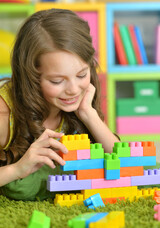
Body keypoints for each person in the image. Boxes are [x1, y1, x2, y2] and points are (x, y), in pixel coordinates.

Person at [0, 8, 120, 201]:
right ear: (31, 78)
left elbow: (125, 162)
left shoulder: (81, 100)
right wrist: (17, 168)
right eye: (57, 81)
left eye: (81, 74)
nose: (73, 89)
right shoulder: (4, 115)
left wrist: (89, 115)